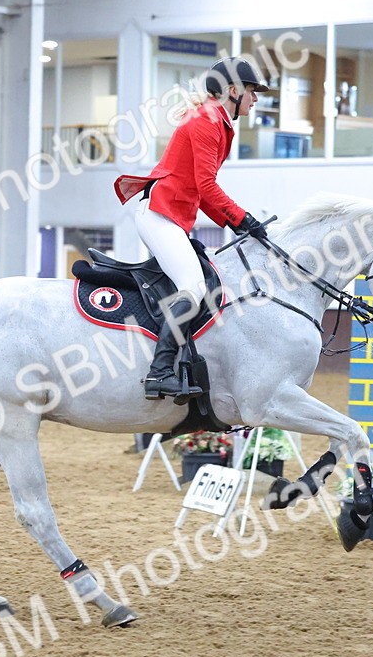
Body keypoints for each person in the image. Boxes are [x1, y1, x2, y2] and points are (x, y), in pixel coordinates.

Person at [113, 57, 270, 402]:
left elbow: (203, 195)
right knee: (193, 286)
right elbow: (207, 185)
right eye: (252, 91)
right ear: (233, 90)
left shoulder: (220, 122)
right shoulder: (206, 120)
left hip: (173, 214)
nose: (256, 98)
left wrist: (241, 225)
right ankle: (160, 371)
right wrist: (242, 218)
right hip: (159, 213)